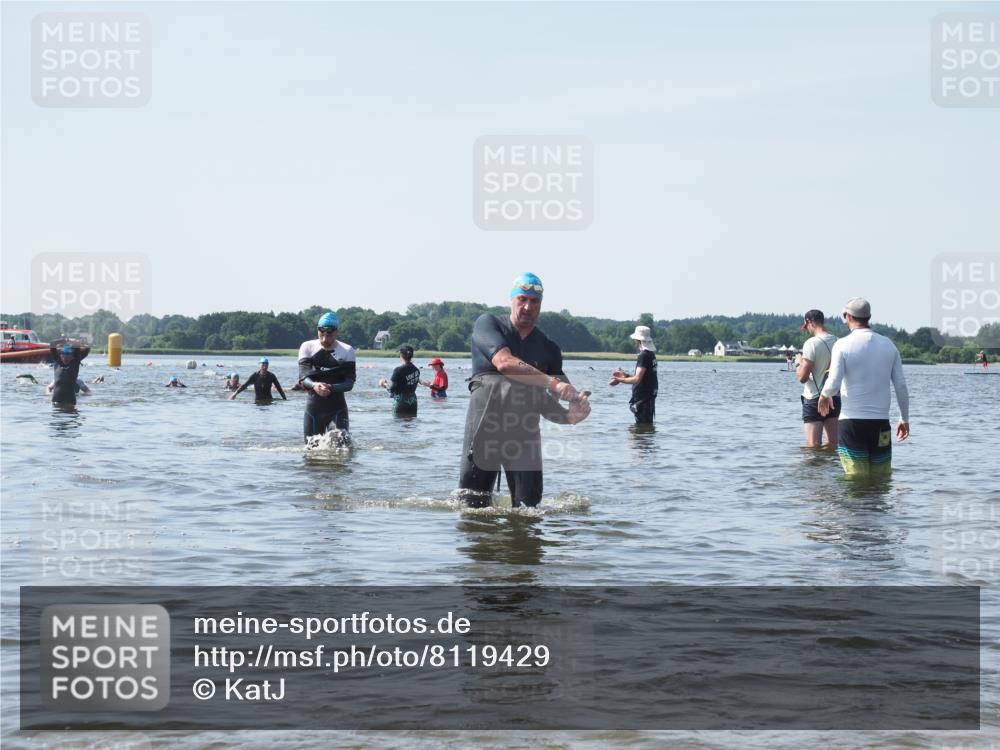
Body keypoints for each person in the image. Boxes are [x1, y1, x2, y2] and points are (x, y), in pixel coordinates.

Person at [458, 272, 591, 508]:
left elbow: (556, 400)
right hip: (484, 426)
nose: (528, 306)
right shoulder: (488, 324)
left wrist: (573, 414)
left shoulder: (549, 349)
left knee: (529, 508)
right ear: (512, 300)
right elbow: (504, 363)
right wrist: (552, 383)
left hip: (523, 431)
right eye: (522, 299)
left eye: (534, 301)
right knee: (472, 505)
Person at [818, 297, 910, 477]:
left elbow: (834, 381)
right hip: (881, 424)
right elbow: (900, 385)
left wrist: (824, 395)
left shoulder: (842, 344)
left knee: (855, 479)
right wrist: (904, 418)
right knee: (881, 477)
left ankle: (855, 506)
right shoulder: (888, 345)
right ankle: (876, 506)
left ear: (847, 316)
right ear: (869, 317)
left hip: (852, 423)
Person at [298, 311, 357, 440]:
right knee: (311, 451)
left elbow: (349, 384)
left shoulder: (347, 351)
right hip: (314, 409)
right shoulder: (307, 347)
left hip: (337, 408)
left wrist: (330, 387)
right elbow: (303, 379)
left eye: (329, 335)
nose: (324, 339)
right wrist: (315, 385)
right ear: (317, 330)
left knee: (342, 448)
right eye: (321, 334)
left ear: (336, 332)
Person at [796, 309, 840, 448]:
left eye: (807, 326)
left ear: (811, 323)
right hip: (834, 397)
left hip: (814, 398)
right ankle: (830, 470)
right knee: (833, 445)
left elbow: (802, 377)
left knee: (812, 446)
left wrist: (798, 362)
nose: (807, 329)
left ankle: (815, 470)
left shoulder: (811, 343)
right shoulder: (838, 341)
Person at [609, 325, 658, 424]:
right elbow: (643, 377)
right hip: (648, 399)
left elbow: (636, 379)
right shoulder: (651, 355)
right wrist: (626, 376)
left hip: (643, 401)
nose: (634, 341)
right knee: (646, 431)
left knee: (640, 433)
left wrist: (619, 379)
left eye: (635, 339)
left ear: (639, 341)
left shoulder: (643, 356)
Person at [378, 345, 420, 416]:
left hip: (401, 402)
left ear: (401, 355)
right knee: (411, 424)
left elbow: (391, 389)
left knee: (398, 425)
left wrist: (384, 384)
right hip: (413, 402)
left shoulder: (398, 370)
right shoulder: (417, 370)